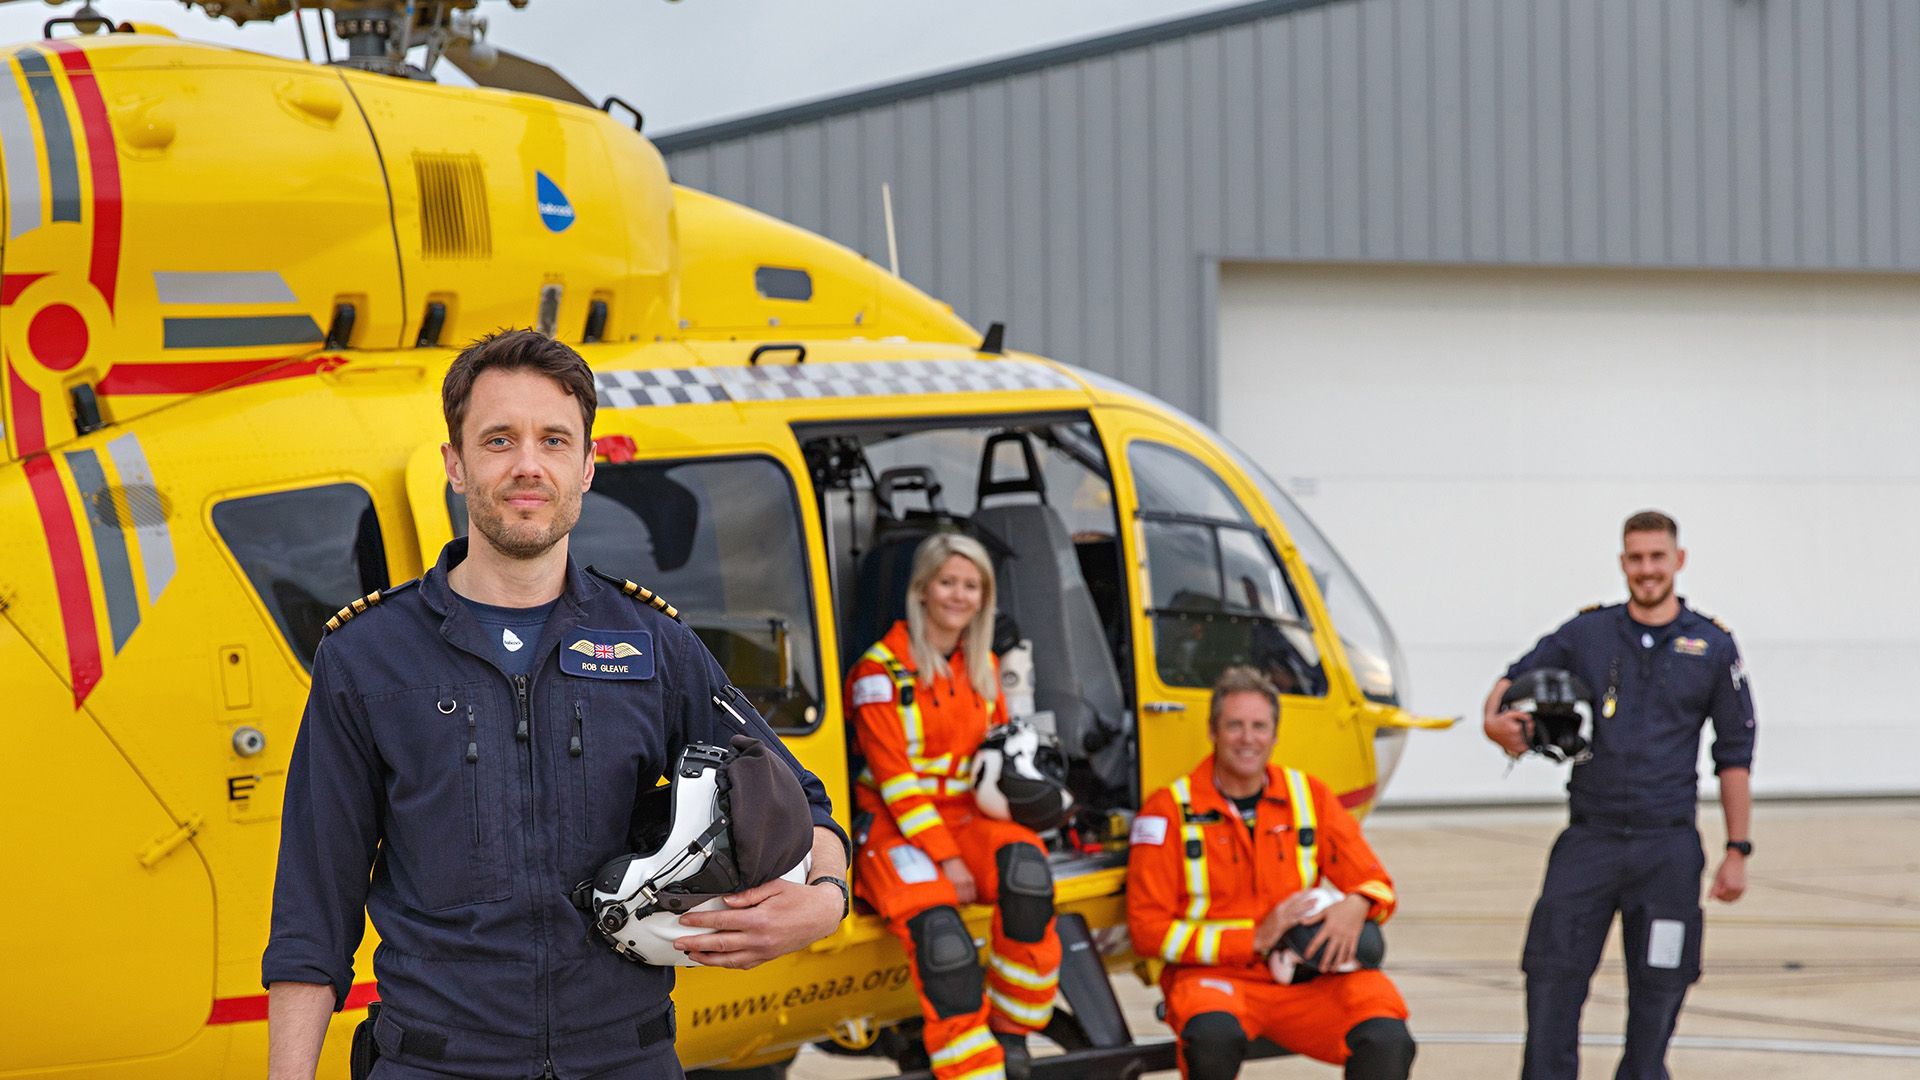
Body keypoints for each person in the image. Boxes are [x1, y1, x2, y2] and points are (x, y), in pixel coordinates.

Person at [262, 329, 851, 1080]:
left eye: (553, 440)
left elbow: (802, 800)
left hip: (626, 1059)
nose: (528, 465)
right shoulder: (367, 657)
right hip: (438, 1064)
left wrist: (825, 898)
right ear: (455, 464)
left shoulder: (653, 644)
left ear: (587, 465)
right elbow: (313, 912)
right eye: (498, 440)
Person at [1483, 509, 1756, 1080]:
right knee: (1552, 977)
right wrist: (1493, 721)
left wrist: (1738, 849)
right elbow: (1513, 678)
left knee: (1662, 985)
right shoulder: (1587, 634)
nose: (1647, 569)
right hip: (1591, 840)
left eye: (1657, 557)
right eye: (1636, 558)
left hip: (1667, 849)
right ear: (1622, 562)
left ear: (1679, 560)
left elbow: (1734, 754)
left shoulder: (1712, 646)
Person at [1128, 667, 1415, 1080]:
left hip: (1306, 977)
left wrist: (1356, 905)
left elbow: (1376, 883)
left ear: (1275, 735)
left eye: (1259, 727)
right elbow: (1147, 931)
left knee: (1386, 1038)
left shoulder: (1309, 797)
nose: (1248, 739)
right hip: (1214, 977)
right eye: (1235, 726)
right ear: (1212, 732)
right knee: (1212, 1039)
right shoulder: (1167, 812)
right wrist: (1254, 939)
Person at [847, 533, 1062, 1080]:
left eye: (972, 586)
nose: (959, 596)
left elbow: (997, 756)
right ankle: (972, 1070)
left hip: (969, 817)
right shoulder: (878, 673)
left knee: (1028, 874)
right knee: (945, 945)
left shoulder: (983, 665)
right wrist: (946, 858)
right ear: (922, 589)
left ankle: (1013, 1034)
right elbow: (896, 783)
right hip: (895, 827)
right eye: (948, 582)